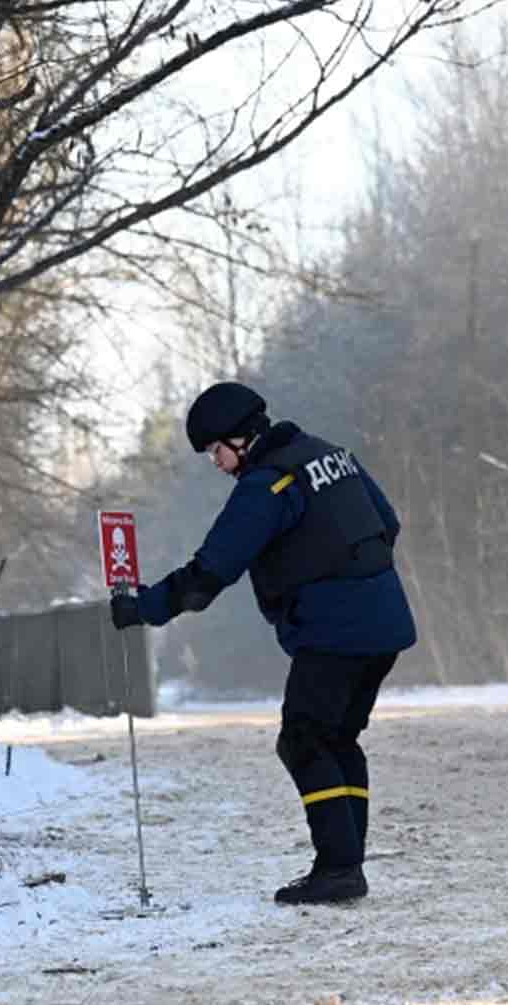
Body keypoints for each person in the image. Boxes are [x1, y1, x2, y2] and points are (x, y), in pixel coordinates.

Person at [110, 381, 416, 905]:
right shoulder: (329, 455)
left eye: (215, 450)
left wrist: (144, 607)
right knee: (337, 739)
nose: (216, 462)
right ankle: (345, 864)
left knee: (302, 740)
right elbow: (388, 523)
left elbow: (211, 572)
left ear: (241, 438)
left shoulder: (267, 485)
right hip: (384, 623)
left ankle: (339, 868)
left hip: (334, 631)